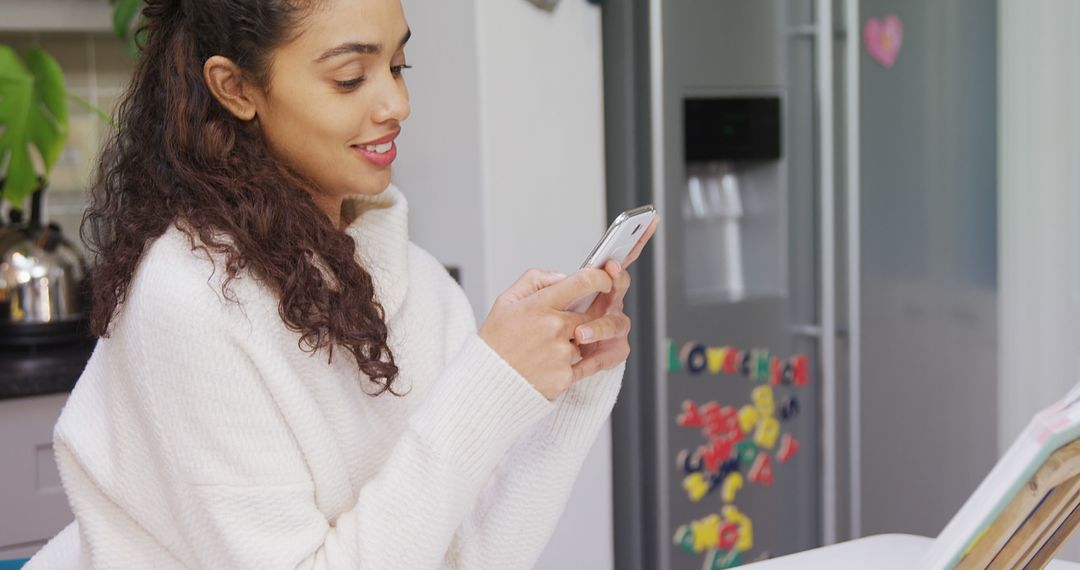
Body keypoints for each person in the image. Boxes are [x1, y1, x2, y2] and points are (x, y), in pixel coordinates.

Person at [26, 0, 657, 568]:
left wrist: (572, 385)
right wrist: (487, 383)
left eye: (399, 66)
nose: (396, 105)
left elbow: (471, 557)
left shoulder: (420, 285)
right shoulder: (187, 300)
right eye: (350, 78)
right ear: (235, 87)